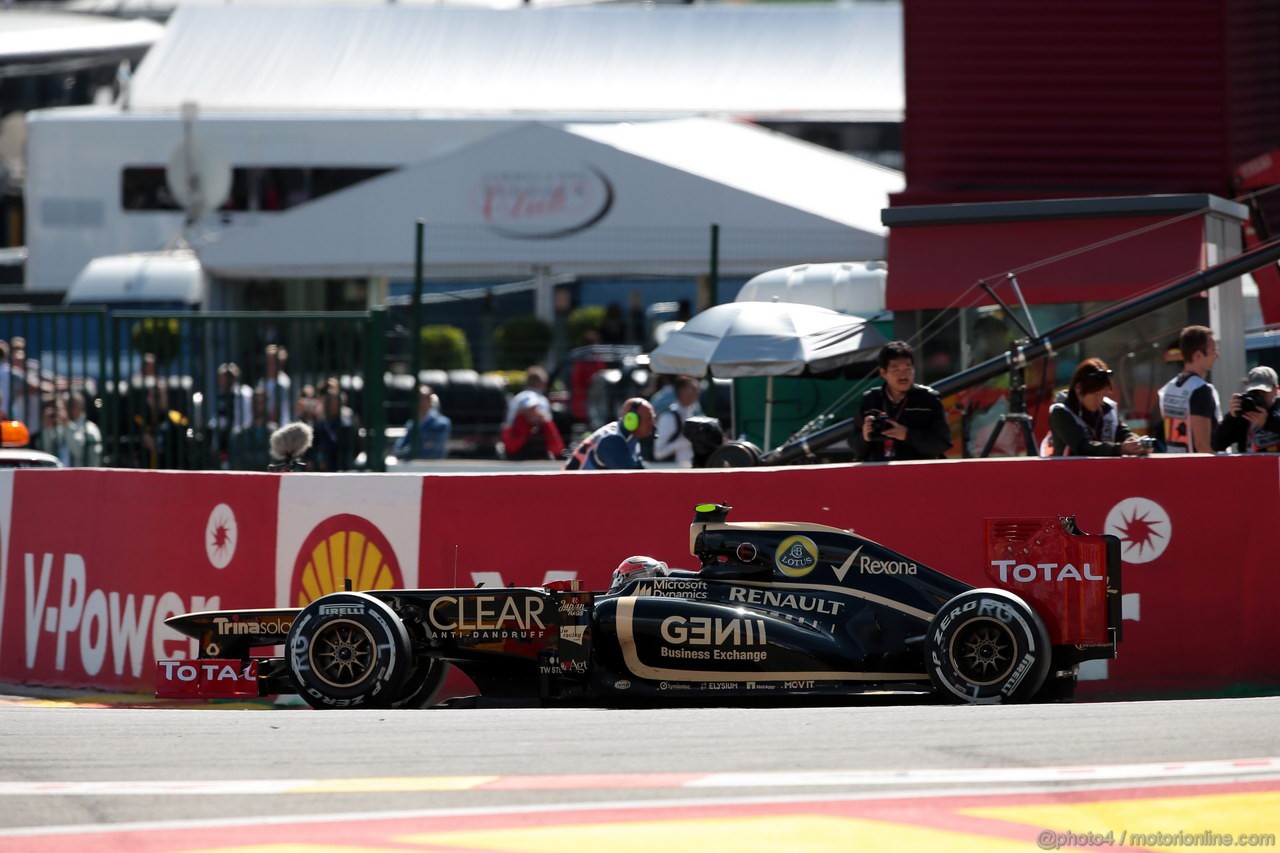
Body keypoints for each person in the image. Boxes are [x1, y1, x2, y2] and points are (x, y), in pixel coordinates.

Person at [852, 340, 951, 462]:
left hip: (917, 473)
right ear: (883, 372)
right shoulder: (870, 400)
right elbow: (854, 445)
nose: (903, 376)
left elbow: (942, 444)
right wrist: (864, 437)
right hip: (879, 473)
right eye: (896, 370)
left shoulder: (928, 399)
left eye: (908, 369)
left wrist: (907, 435)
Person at [1045, 358, 1151, 457]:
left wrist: (1138, 443)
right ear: (1078, 388)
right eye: (1095, 394)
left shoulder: (1108, 409)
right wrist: (1119, 449)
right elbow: (1082, 446)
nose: (1100, 400)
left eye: (1103, 394)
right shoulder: (1061, 411)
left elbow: (1123, 433)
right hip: (1068, 472)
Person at [1157, 325, 1220, 453]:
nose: (1217, 355)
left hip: (1175, 465)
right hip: (1197, 469)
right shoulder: (1200, 390)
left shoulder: (1169, 388)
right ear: (1198, 355)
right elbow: (1202, 445)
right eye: (1213, 350)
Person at [564, 397, 655, 470]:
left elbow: (641, 470)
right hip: (571, 490)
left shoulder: (630, 437)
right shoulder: (611, 441)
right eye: (648, 419)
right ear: (631, 420)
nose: (652, 423)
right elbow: (634, 480)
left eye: (653, 418)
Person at [1212, 365, 1280, 453]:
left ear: (1276, 390)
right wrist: (1231, 418)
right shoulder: (1245, 413)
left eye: (1264, 392)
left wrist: (1267, 422)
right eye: (1254, 392)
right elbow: (1217, 444)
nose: (1259, 396)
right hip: (1250, 465)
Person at [653, 375, 702, 466]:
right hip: (672, 472)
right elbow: (658, 453)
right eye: (693, 388)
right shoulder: (669, 418)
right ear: (681, 391)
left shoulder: (695, 413)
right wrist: (682, 442)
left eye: (697, 388)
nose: (697, 392)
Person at [395, 385, 451, 460]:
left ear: (431, 401)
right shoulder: (411, 424)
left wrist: (409, 451)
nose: (422, 402)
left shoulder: (442, 424)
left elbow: (432, 451)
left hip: (434, 469)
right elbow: (398, 448)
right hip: (412, 469)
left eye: (426, 398)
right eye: (418, 398)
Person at [502, 396, 565, 460]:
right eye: (528, 409)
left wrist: (546, 423)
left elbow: (557, 449)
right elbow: (512, 448)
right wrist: (523, 422)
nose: (532, 412)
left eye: (534, 409)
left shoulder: (544, 425)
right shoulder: (511, 426)